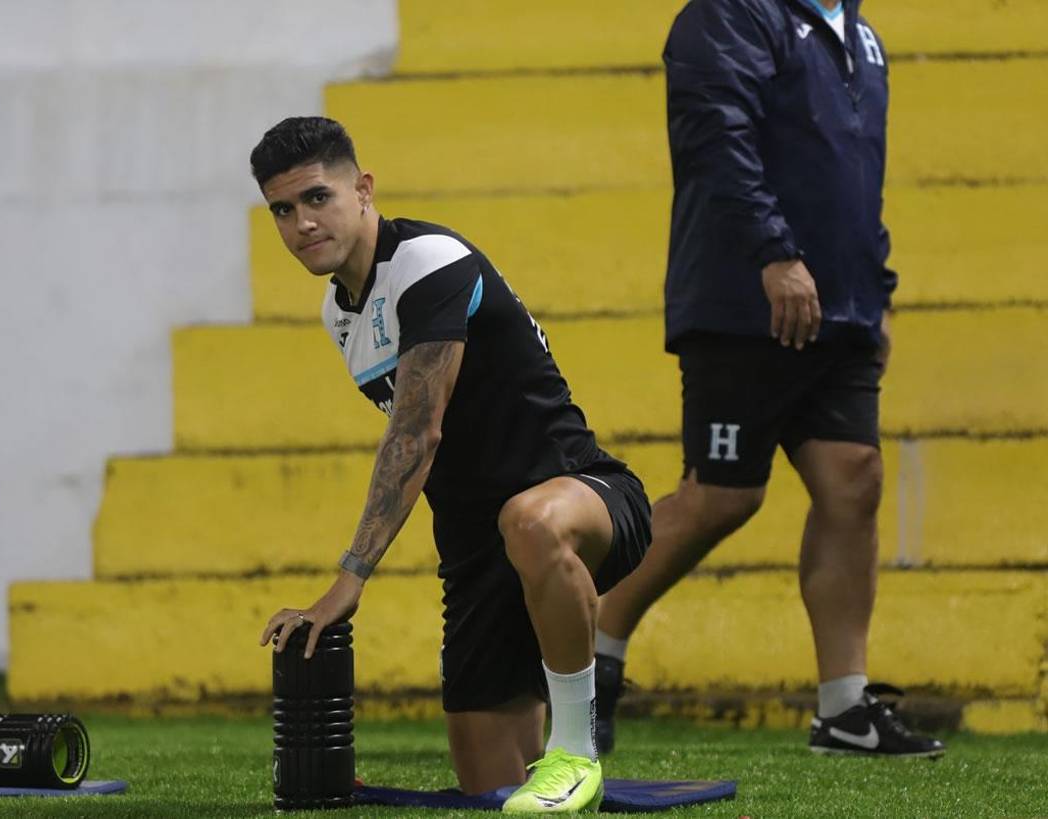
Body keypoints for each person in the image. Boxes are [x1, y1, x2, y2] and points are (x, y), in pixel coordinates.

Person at [253, 116, 652, 811]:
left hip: (583, 497)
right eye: (282, 210)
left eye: (317, 197)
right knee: (490, 790)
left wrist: (350, 576)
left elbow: (417, 433)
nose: (301, 223)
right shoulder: (337, 312)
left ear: (364, 190)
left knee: (528, 522)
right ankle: (554, 762)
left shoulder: (428, 261)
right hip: (475, 558)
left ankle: (578, 747)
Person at [592, 0, 945, 758]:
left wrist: (874, 290)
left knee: (854, 479)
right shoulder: (729, 16)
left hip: (840, 307)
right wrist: (774, 254)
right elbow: (717, 143)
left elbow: (859, 172)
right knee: (721, 495)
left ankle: (844, 709)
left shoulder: (860, 34)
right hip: (747, 298)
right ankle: (590, 646)